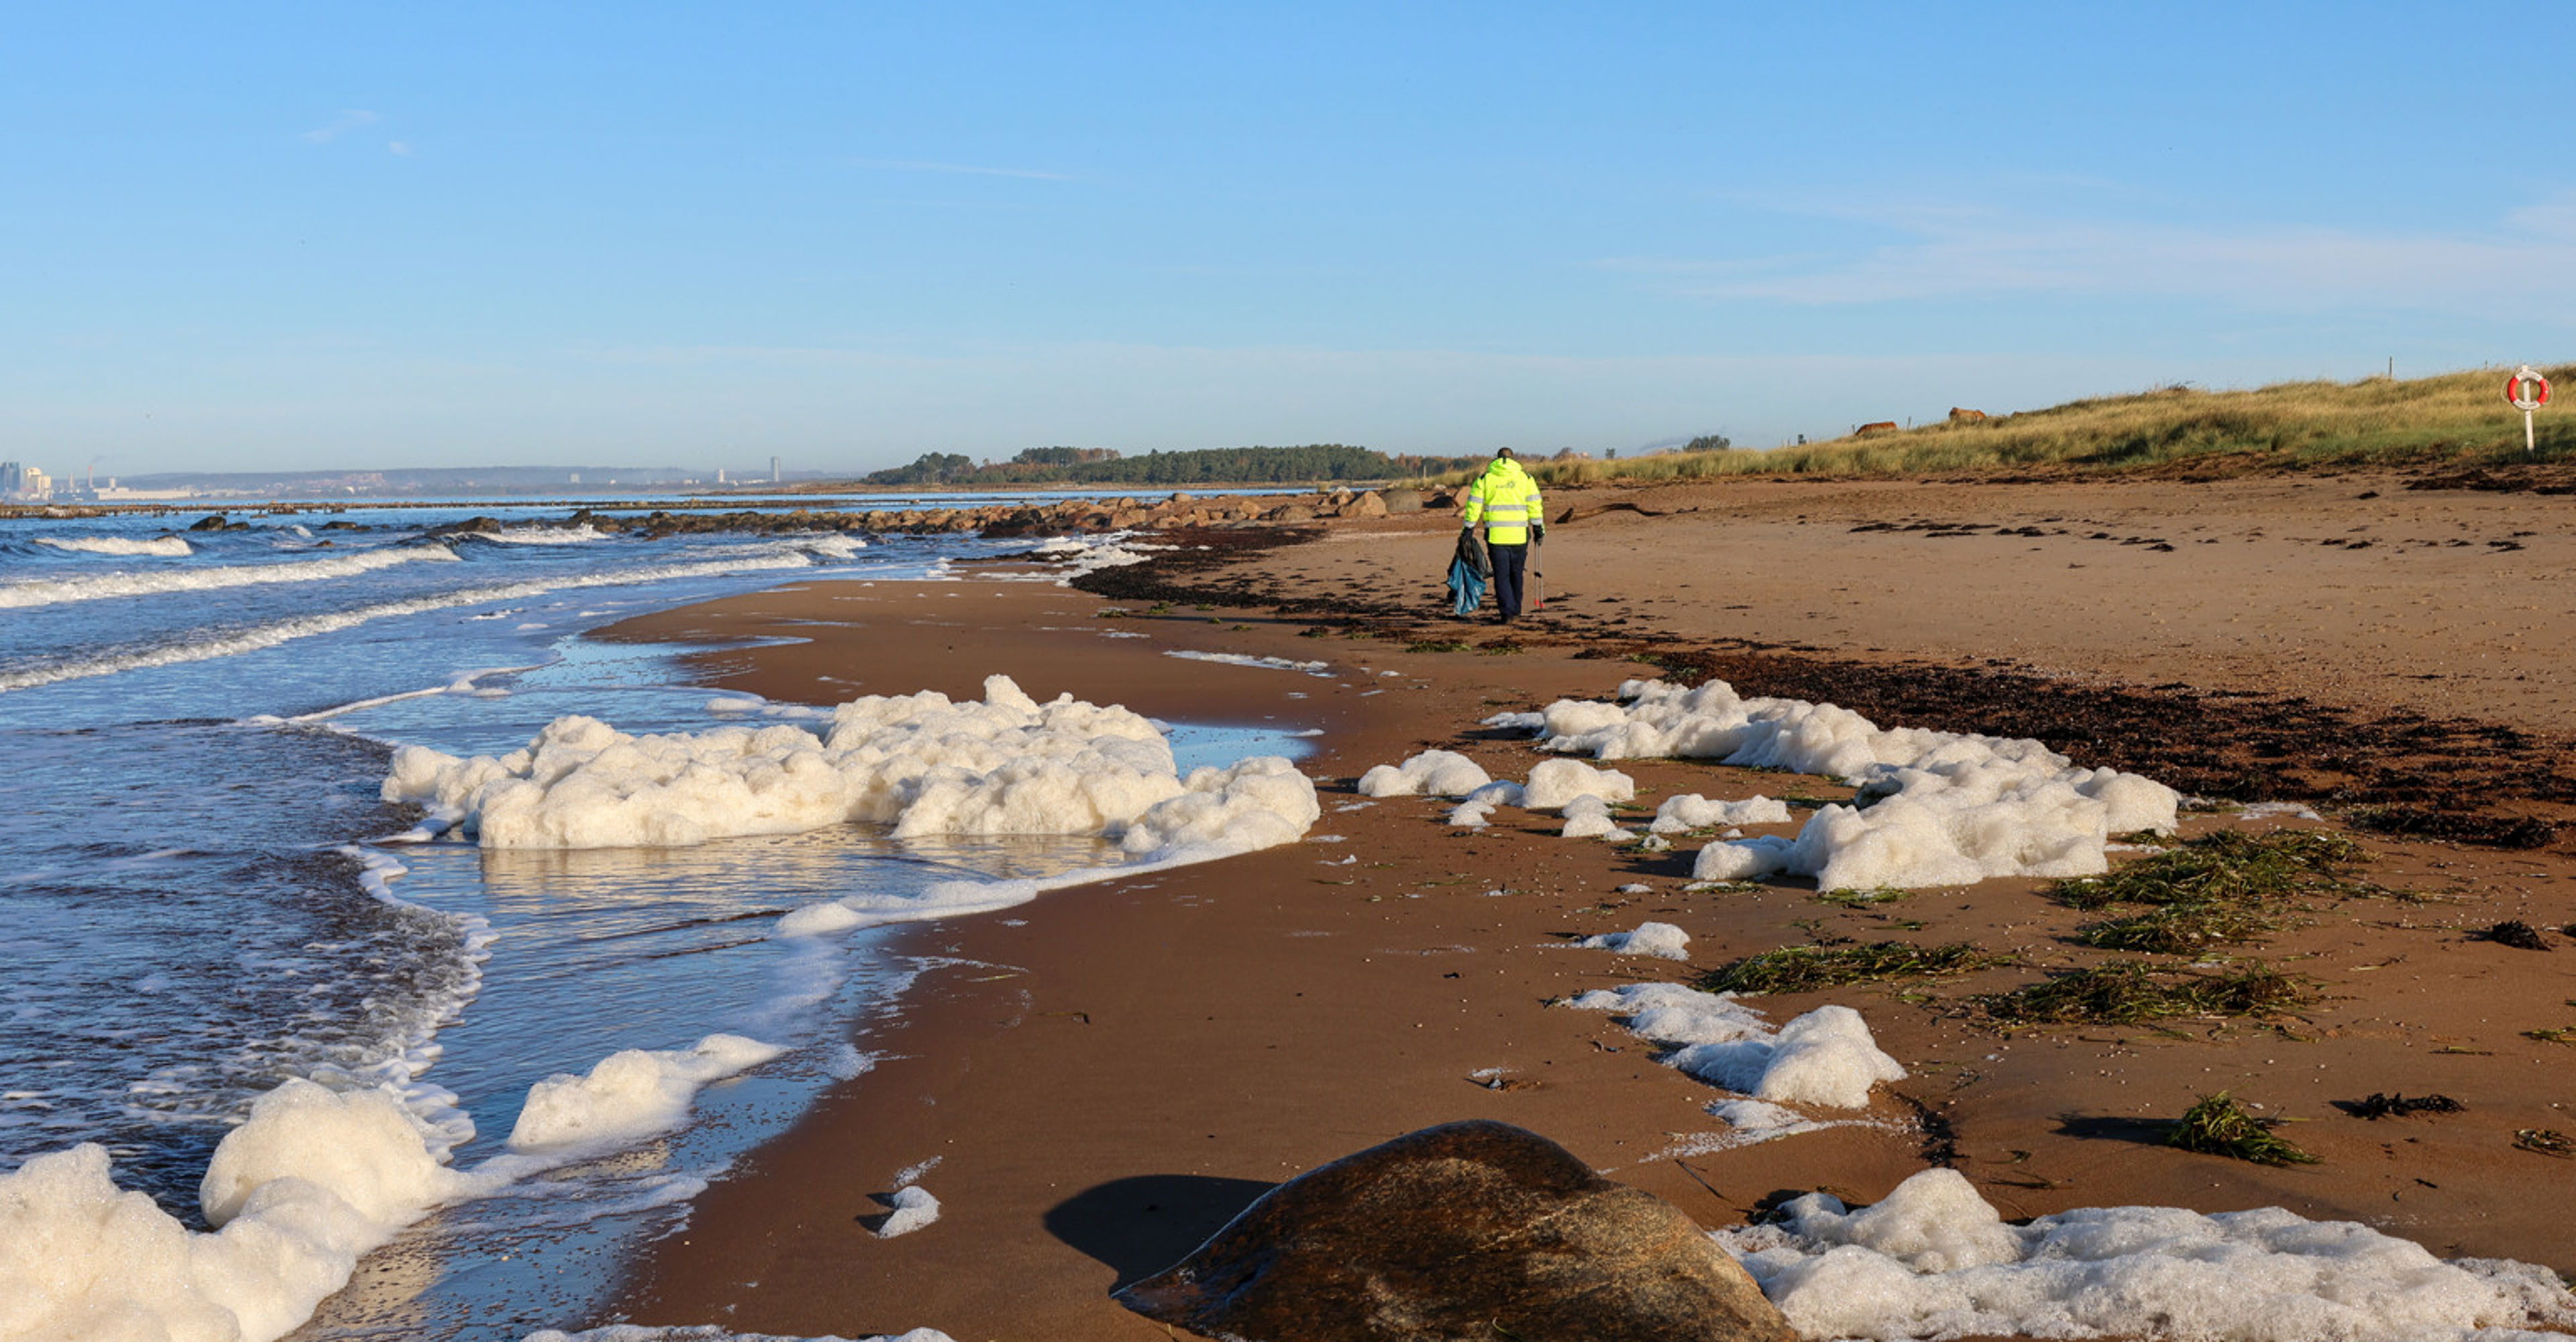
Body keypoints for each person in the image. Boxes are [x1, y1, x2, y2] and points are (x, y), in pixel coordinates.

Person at [1457, 448, 1544, 621]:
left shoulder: (1485, 479)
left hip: (1496, 537)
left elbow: (1474, 506)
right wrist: (1539, 529)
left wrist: (1468, 529)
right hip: (1520, 536)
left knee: (1501, 575)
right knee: (1516, 574)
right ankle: (1516, 610)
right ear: (1513, 459)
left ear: (1497, 459)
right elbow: (1535, 505)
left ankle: (1507, 613)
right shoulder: (1525, 478)